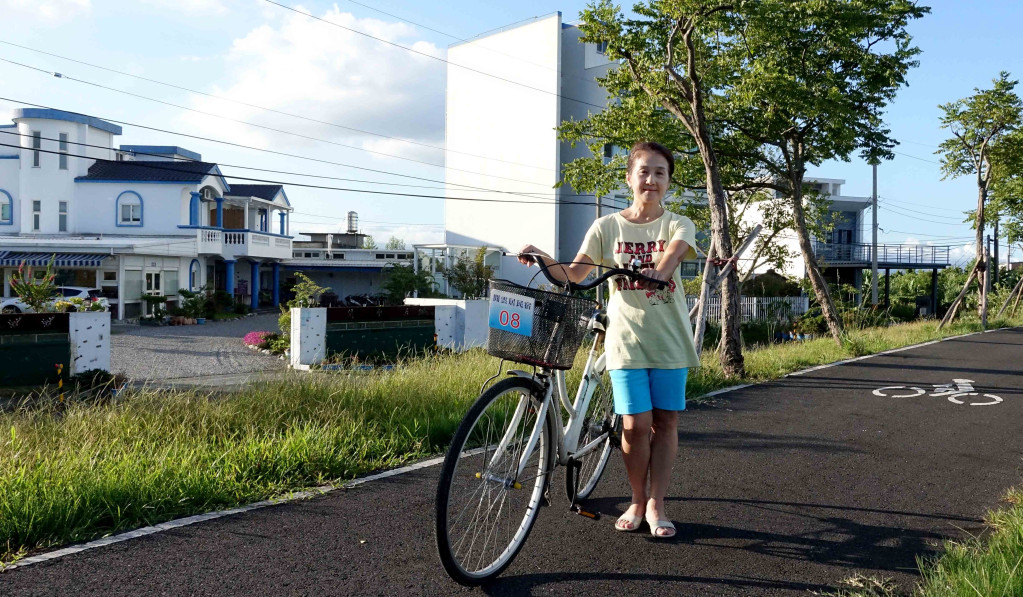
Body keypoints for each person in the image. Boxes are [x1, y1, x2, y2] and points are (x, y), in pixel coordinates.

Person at [518, 141, 699, 538]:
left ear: (668, 182)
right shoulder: (606, 228)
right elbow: (576, 274)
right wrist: (543, 257)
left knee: (665, 422)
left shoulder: (679, 223)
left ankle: (657, 504)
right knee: (634, 426)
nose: (651, 179)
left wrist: (659, 271)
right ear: (630, 178)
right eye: (644, 171)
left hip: (669, 341)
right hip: (625, 341)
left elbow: (669, 262)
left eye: (660, 173)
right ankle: (637, 500)